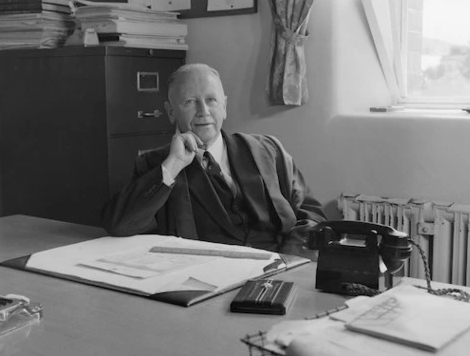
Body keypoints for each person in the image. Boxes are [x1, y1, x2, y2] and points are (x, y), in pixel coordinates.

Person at [101, 63, 326, 259]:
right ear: (170, 112)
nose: (203, 111)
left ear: (224, 106)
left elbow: (313, 215)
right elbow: (119, 224)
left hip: (278, 269)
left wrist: (289, 258)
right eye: (190, 102)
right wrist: (174, 165)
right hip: (207, 279)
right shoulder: (155, 165)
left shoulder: (267, 150)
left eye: (211, 100)